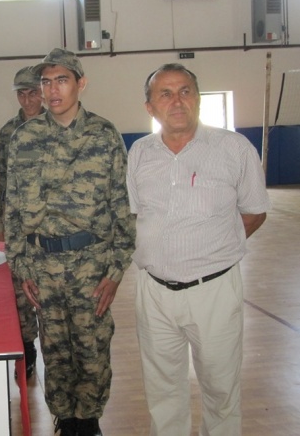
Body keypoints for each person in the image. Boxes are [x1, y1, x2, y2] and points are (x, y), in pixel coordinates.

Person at [126, 63, 270, 436]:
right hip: (154, 292)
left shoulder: (234, 148)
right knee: (162, 393)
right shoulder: (139, 153)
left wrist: (212, 248)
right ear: (150, 107)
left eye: (185, 91)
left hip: (214, 291)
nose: (177, 101)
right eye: (165, 93)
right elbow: (135, 215)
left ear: (198, 99)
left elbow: (254, 212)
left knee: (221, 389)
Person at [4, 48, 136, 436]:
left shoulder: (104, 135)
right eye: (46, 82)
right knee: (55, 350)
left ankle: (89, 421)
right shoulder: (24, 138)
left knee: (92, 348)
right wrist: (21, 266)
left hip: (91, 263)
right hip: (43, 264)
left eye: (61, 80)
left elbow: (122, 206)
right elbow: (12, 208)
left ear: (81, 83)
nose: (52, 90)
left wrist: (116, 271)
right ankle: (64, 419)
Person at [0, 66, 45, 379]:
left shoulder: (57, 126)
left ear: (43, 92)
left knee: (50, 288)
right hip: (17, 224)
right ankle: (26, 347)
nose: (28, 99)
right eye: (21, 94)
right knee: (20, 290)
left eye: (33, 92)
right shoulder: (8, 132)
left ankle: (54, 347)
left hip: (51, 226)